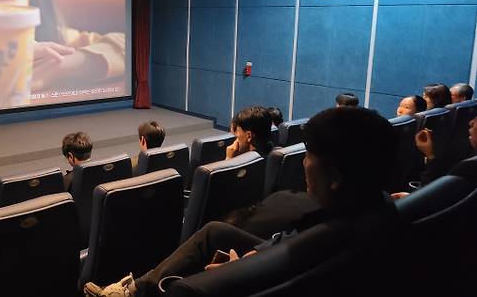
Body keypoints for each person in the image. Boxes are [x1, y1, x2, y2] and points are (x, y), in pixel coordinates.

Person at [84, 107, 398, 297]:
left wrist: (245, 266)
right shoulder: (379, 208)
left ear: (336, 177)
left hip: (254, 276)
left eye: (311, 157)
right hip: (268, 254)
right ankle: (136, 288)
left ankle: (135, 291)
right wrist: (256, 252)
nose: (304, 163)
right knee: (214, 231)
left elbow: (287, 257)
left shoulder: (320, 242)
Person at [391, 116, 477, 199]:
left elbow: (431, 199)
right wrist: (430, 155)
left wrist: (412, 198)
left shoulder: (469, 168)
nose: (471, 122)